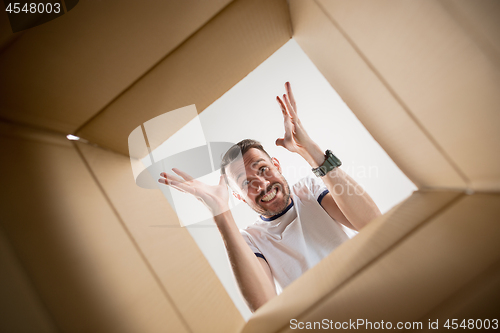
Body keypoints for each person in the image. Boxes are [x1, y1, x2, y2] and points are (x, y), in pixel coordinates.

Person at [159, 82, 381, 312]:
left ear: (276, 165)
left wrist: (311, 150)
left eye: (263, 169)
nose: (263, 185)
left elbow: (373, 223)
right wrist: (220, 213)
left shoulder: (309, 190)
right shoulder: (251, 240)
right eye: (247, 183)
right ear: (239, 196)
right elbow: (263, 306)